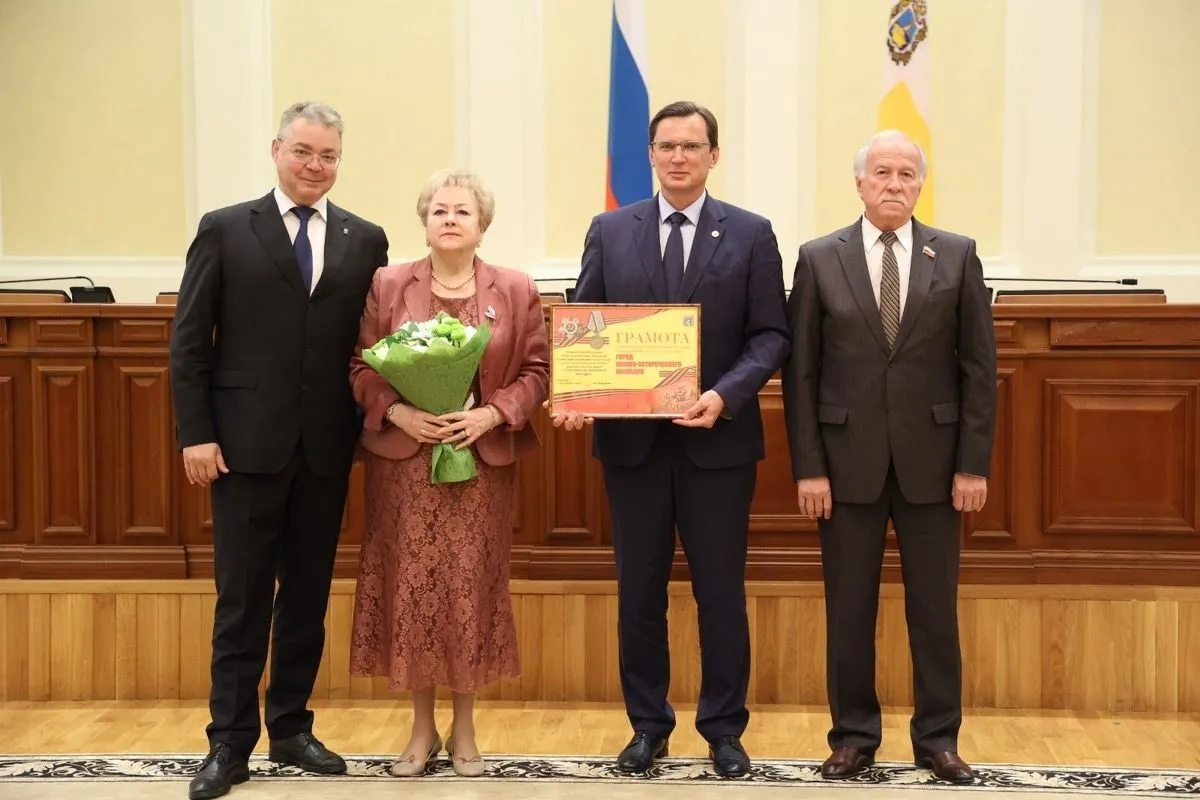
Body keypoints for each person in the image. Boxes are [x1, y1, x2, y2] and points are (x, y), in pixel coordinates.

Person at [552, 101, 790, 778]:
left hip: (718, 447)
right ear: (650, 155)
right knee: (639, 594)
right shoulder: (610, 229)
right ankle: (647, 727)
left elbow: (772, 334)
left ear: (714, 155)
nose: (679, 157)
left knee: (720, 593)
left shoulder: (749, 234)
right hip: (632, 450)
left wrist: (725, 394)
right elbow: (587, 324)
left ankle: (723, 730)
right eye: (667, 146)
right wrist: (578, 393)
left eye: (692, 146)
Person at [169, 101, 390, 800]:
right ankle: (229, 744)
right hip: (240, 449)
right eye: (303, 152)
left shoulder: (365, 238)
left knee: (306, 597)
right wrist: (195, 433)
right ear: (276, 150)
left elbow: (369, 343)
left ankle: (291, 728)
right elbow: (188, 343)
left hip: (327, 450)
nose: (315, 166)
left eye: (328, 156)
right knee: (241, 602)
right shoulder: (227, 228)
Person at [782, 130, 996, 784]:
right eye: (882, 173)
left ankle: (938, 739)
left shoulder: (956, 256)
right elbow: (802, 375)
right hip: (845, 469)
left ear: (919, 184)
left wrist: (974, 464)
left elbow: (978, 372)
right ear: (860, 182)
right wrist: (809, 467)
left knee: (934, 611)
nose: (894, 183)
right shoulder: (820, 259)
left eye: (906, 173)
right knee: (850, 610)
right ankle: (852, 736)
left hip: (936, 468)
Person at [348, 169, 550, 778]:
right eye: (440, 210)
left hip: (479, 466)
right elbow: (361, 367)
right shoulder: (387, 284)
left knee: (469, 587)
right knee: (413, 587)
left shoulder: (514, 289)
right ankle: (419, 731)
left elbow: (538, 372)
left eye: (463, 211)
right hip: (405, 466)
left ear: (482, 224)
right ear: (424, 221)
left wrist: (492, 414)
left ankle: (465, 730)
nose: (451, 219)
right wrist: (401, 412)